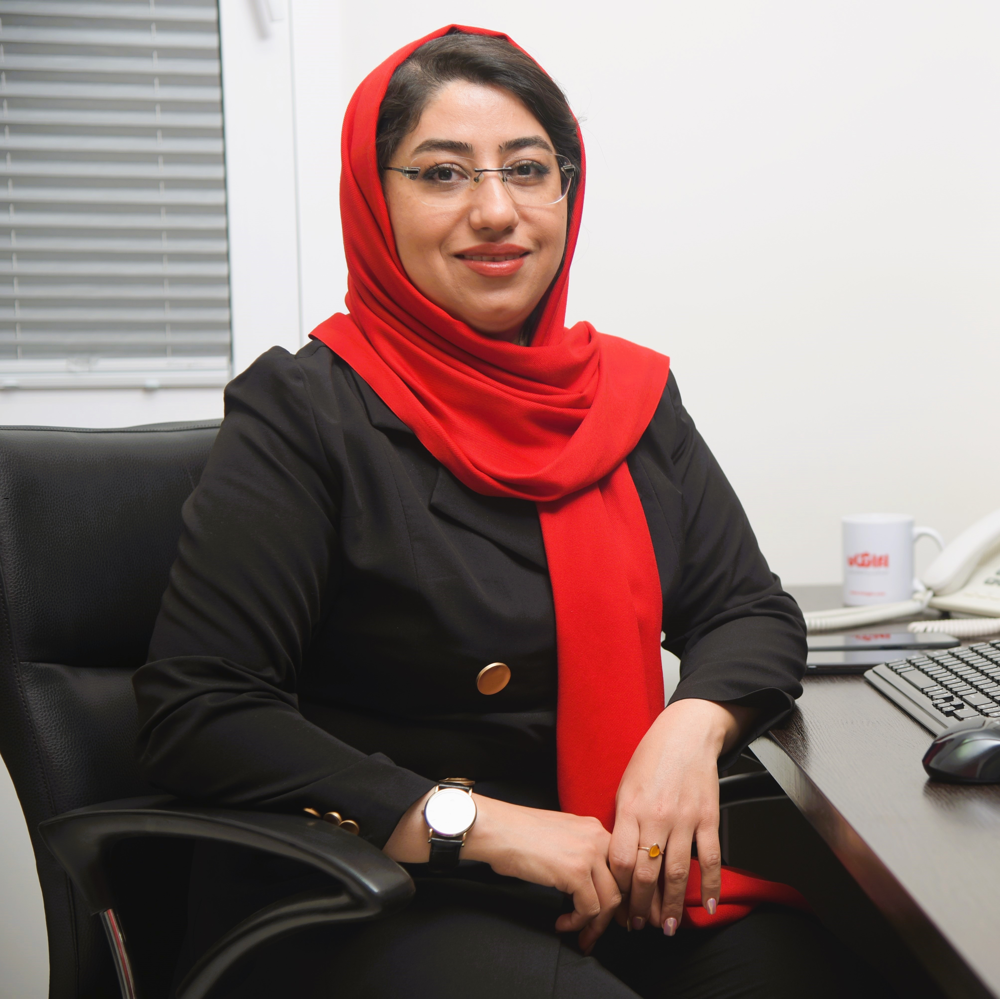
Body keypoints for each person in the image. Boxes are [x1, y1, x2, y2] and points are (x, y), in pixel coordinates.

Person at [133, 25, 888, 999]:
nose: (495, 211)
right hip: (370, 895)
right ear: (374, 198)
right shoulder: (305, 413)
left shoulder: (627, 400)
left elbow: (749, 610)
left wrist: (687, 729)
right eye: (442, 173)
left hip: (613, 883)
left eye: (528, 170)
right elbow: (201, 709)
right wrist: (478, 824)